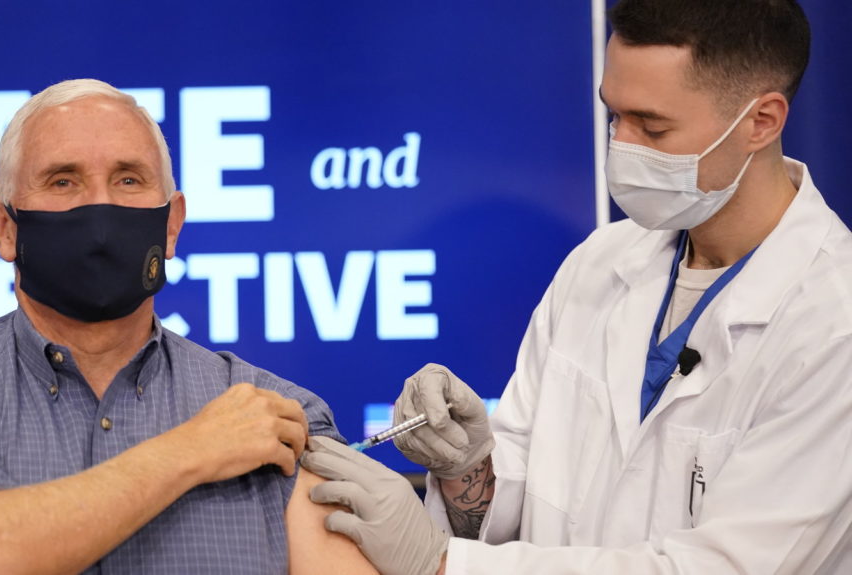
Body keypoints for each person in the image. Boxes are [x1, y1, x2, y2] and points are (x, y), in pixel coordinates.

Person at [301, 1, 852, 573]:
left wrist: (441, 562)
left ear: (761, 121)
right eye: (614, 117)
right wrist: (470, 469)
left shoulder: (834, 327)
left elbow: (726, 566)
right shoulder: (602, 261)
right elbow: (528, 502)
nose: (624, 146)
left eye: (652, 126)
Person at [0, 79, 377, 575]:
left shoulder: (274, 414)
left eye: (128, 179)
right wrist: (192, 450)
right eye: (63, 180)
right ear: (4, 227)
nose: (98, 211)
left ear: (171, 225)